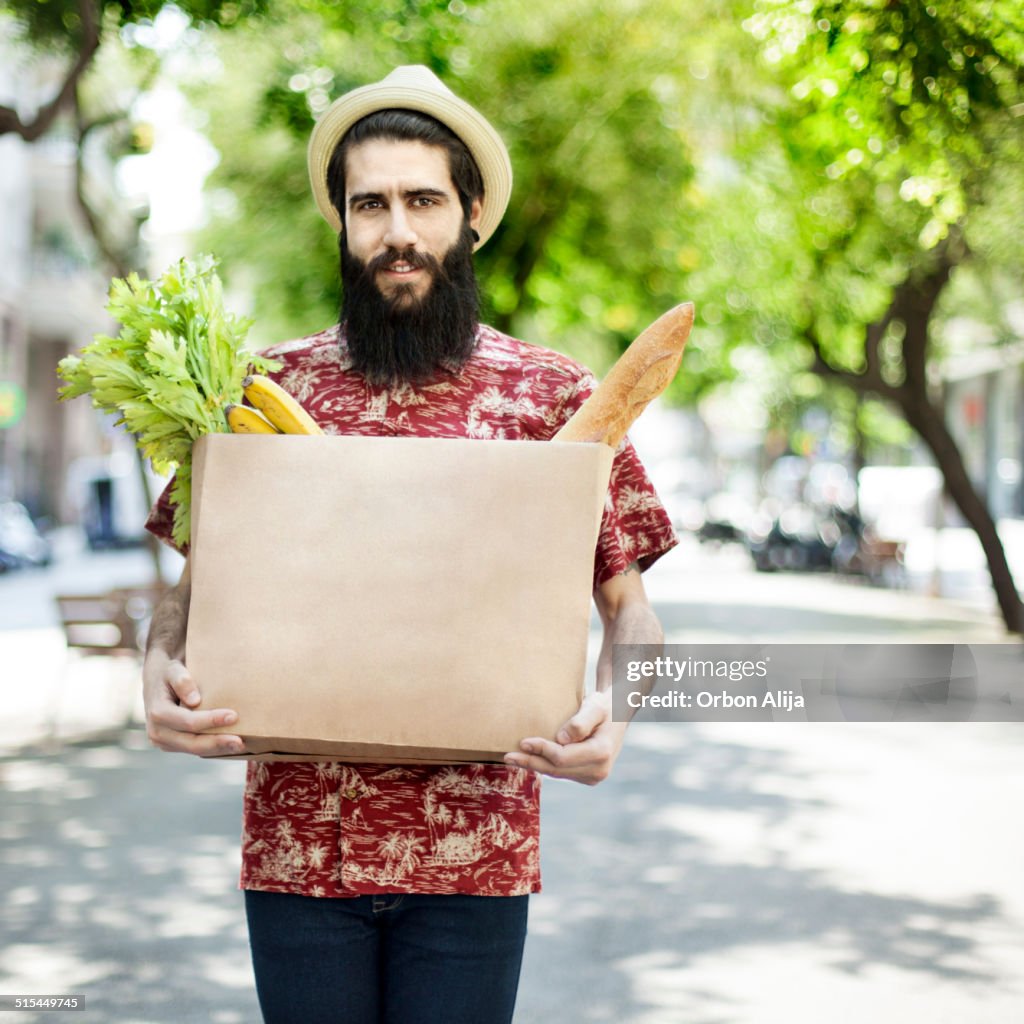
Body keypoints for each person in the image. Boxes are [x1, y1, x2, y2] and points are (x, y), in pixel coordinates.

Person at [142, 65, 677, 1024]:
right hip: (298, 847)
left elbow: (630, 608)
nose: (397, 231)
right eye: (370, 205)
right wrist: (157, 671)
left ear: (470, 214)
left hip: (478, 852)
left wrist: (620, 717)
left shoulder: (552, 397)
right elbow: (192, 586)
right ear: (342, 225)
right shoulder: (259, 390)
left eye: (423, 200)